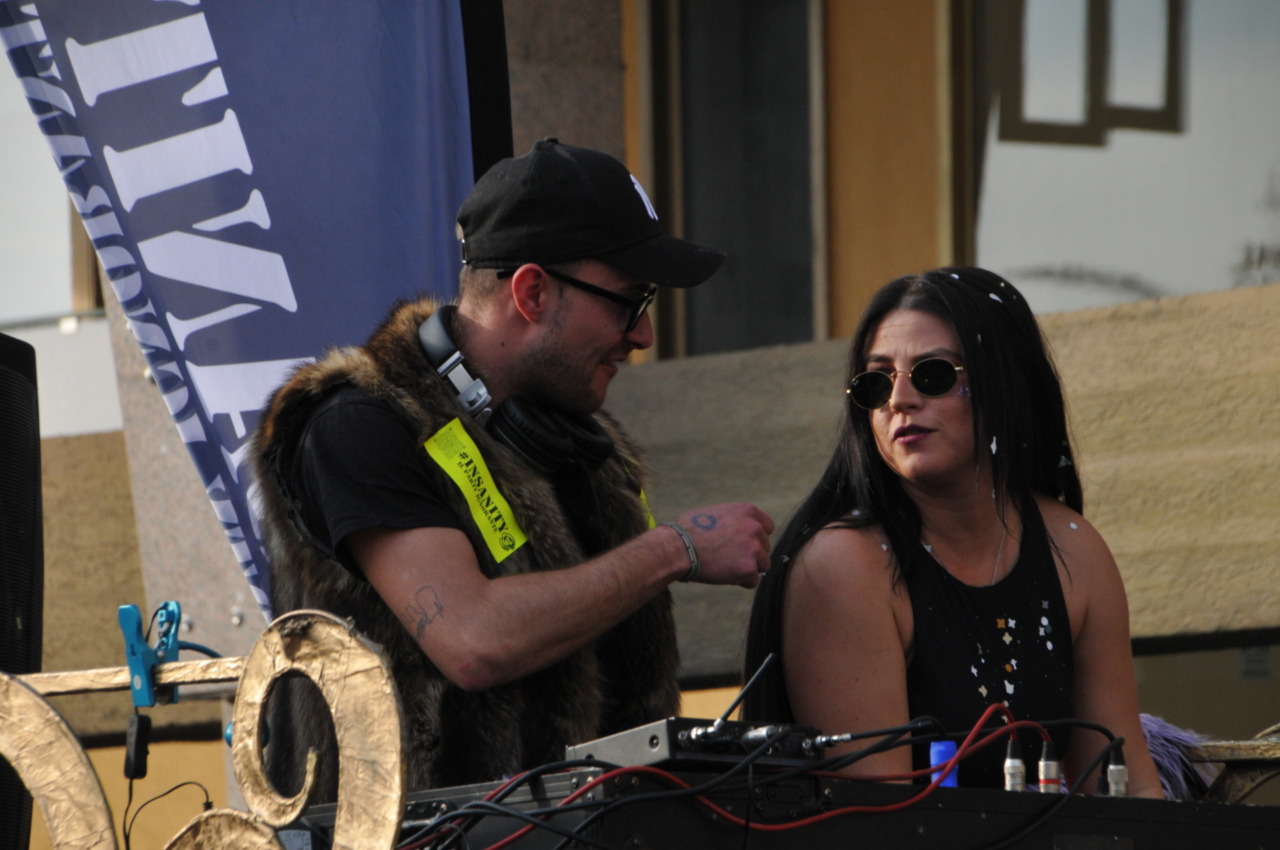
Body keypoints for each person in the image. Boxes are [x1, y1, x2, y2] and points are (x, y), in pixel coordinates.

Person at [251, 138, 774, 798]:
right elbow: (473, 640)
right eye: (629, 301)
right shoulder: (358, 424)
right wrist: (678, 549)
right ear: (531, 292)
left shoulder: (579, 445)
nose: (643, 335)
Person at [743, 267, 1162, 797]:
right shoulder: (846, 564)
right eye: (877, 382)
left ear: (1004, 383)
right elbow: (879, 819)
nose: (899, 399)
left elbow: (1126, 787)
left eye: (934, 374)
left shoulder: (1074, 547)